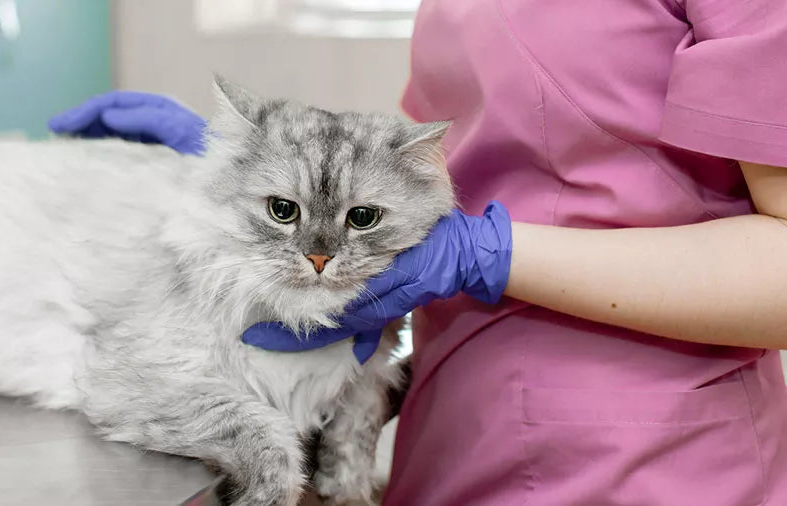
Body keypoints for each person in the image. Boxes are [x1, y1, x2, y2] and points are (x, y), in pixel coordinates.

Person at [49, 0, 787, 503]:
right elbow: (449, 152)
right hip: (453, 421)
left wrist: (487, 254)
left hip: (641, 460)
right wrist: (242, 167)